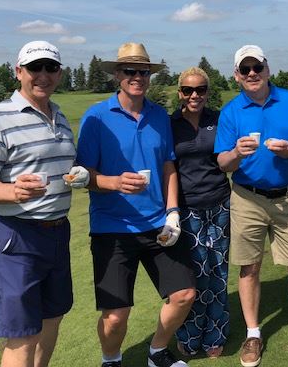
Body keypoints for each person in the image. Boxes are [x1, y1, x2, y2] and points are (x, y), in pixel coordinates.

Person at [0, 40, 90, 367]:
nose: (43, 75)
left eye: (51, 67)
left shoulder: (59, 116)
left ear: (60, 73)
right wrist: (13, 192)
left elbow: (62, 165)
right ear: (19, 71)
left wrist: (77, 174)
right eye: (35, 67)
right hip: (16, 234)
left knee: (53, 317)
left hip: (57, 231)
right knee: (23, 332)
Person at [76, 42, 196, 367]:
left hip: (157, 224)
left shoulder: (158, 116)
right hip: (111, 227)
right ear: (117, 74)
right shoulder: (96, 117)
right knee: (115, 316)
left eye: (143, 71)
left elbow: (168, 165)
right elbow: (82, 174)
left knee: (184, 295)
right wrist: (114, 182)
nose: (137, 77)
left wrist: (173, 213)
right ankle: (111, 359)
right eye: (130, 70)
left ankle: (157, 352)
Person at [215, 45, 288, 367]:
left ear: (267, 69)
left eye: (257, 67)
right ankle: (253, 334)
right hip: (246, 198)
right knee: (249, 268)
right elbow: (223, 163)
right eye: (245, 69)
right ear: (237, 76)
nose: (252, 73)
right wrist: (236, 153)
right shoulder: (231, 111)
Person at [171, 67, 231, 359]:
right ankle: (190, 334)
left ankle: (215, 335)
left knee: (218, 271)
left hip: (220, 204)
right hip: (186, 209)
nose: (194, 95)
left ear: (207, 91)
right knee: (195, 274)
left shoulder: (219, 119)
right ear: (179, 93)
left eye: (201, 89)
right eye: (188, 90)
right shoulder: (169, 124)